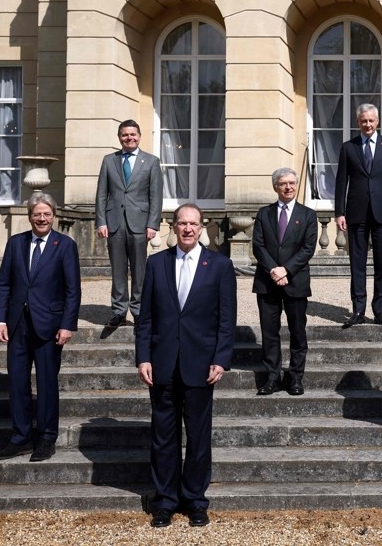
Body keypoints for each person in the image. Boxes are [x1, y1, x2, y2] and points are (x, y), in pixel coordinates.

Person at [135, 203, 237, 528]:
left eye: (193, 224)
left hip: (201, 365)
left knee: (197, 437)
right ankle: (165, 501)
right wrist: (143, 356)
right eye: (182, 223)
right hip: (162, 363)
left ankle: (195, 500)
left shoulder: (219, 266)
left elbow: (226, 320)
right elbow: (145, 318)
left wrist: (221, 359)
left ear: (201, 227)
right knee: (163, 437)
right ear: (174, 227)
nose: (188, 229)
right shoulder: (156, 264)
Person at [0, 193, 81, 462]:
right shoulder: (15, 244)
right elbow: (3, 284)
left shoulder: (64, 245)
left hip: (50, 327)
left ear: (53, 216)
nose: (41, 218)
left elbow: (72, 290)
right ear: (29, 216)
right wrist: (0, 319)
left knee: (46, 383)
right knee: (17, 382)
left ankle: (45, 438)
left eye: (46, 214)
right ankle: (20, 437)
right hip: (17, 326)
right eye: (36, 214)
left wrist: (67, 325)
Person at [335, 103, 382, 328]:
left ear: (377, 121)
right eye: (363, 121)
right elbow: (341, 182)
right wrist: (339, 213)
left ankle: (380, 311)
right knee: (357, 264)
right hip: (356, 214)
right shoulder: (348, 148)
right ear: (358, 122)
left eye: (371, 120)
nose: (367, 124)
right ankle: (358, 310)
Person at [252, 168, 318, 396]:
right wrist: (273, 270)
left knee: (298, 332)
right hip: (267, 282)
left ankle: (296, 378)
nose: (288, 187)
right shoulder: (263, 213)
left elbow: (308, 248)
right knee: (270, 332)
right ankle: (272, 377)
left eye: (292, 183)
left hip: (296, 281)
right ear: (275, 187)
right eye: (283, 183)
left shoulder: (308, 215)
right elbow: (258, 246)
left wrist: (286, 270)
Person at [95, 119, 163, 327]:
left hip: (140, 224)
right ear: (119, 138)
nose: (129, 138)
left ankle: (139, 310)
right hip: (114, 223)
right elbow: (101, 194)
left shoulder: (151, 162)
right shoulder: (109, 161)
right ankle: (118, 311)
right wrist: (101, 221)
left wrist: (153, 224)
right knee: (118, 269)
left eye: (133, 134)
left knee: (139, 269)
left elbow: (155, 196)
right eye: (125, 135)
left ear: (139, 136)